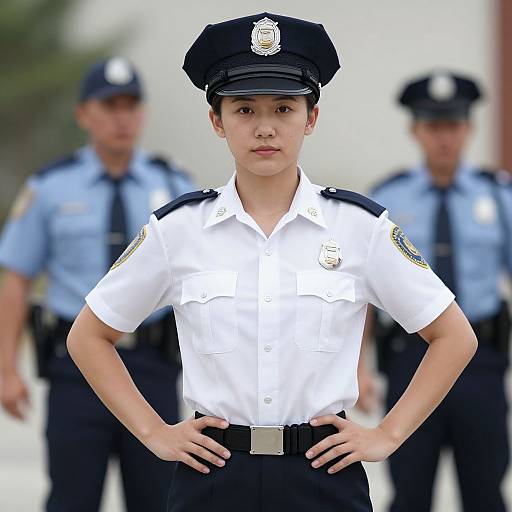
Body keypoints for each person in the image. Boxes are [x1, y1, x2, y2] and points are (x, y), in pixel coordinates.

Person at [66, 15, 477, 512]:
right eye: (243, 109)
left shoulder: (358, 228)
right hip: (212, 476)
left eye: (284, 108)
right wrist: (154, 431)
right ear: (217, 121)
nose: (265, 128)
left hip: (325, 475)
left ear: (311, 117)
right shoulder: (177, 231)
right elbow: (87, 336)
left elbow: (454, 336)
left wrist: (388, 434)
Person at [0, 57, 195, 512]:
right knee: (72, 498)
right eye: (109, 106)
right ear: (84, 115)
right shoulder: (51, 188)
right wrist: (7, 369)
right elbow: (18, 279)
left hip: (152, 365)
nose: (121, 117)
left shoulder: (174, 185)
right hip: (76, 372)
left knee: (160, 497)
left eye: (131, 106)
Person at [365, 71, 511, 512]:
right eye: (433, 126)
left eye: (453, 126)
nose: (444, 138)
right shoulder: (389, 199)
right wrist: (358, 366)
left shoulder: (497, 195)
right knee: (409, 492)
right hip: (411, 359)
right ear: (415, 130)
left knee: (485, 492)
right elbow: (365, 292)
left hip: (481, 363)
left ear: (468, 128)